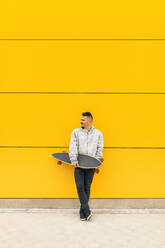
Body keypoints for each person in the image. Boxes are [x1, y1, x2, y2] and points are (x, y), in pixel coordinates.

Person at [69, 112, 104, 221]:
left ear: (90, 120)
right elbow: (73, 146)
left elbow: (99, 148)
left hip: (91, 165)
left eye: (83, 120)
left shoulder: (98, 134)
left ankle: (82, 212)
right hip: (79, 164)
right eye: (81, 119)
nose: (81, 121)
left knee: (87, 187)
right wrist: (73, 159)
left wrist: (96, 161)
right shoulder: (76, 132)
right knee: (80, 186)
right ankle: (87, 210)